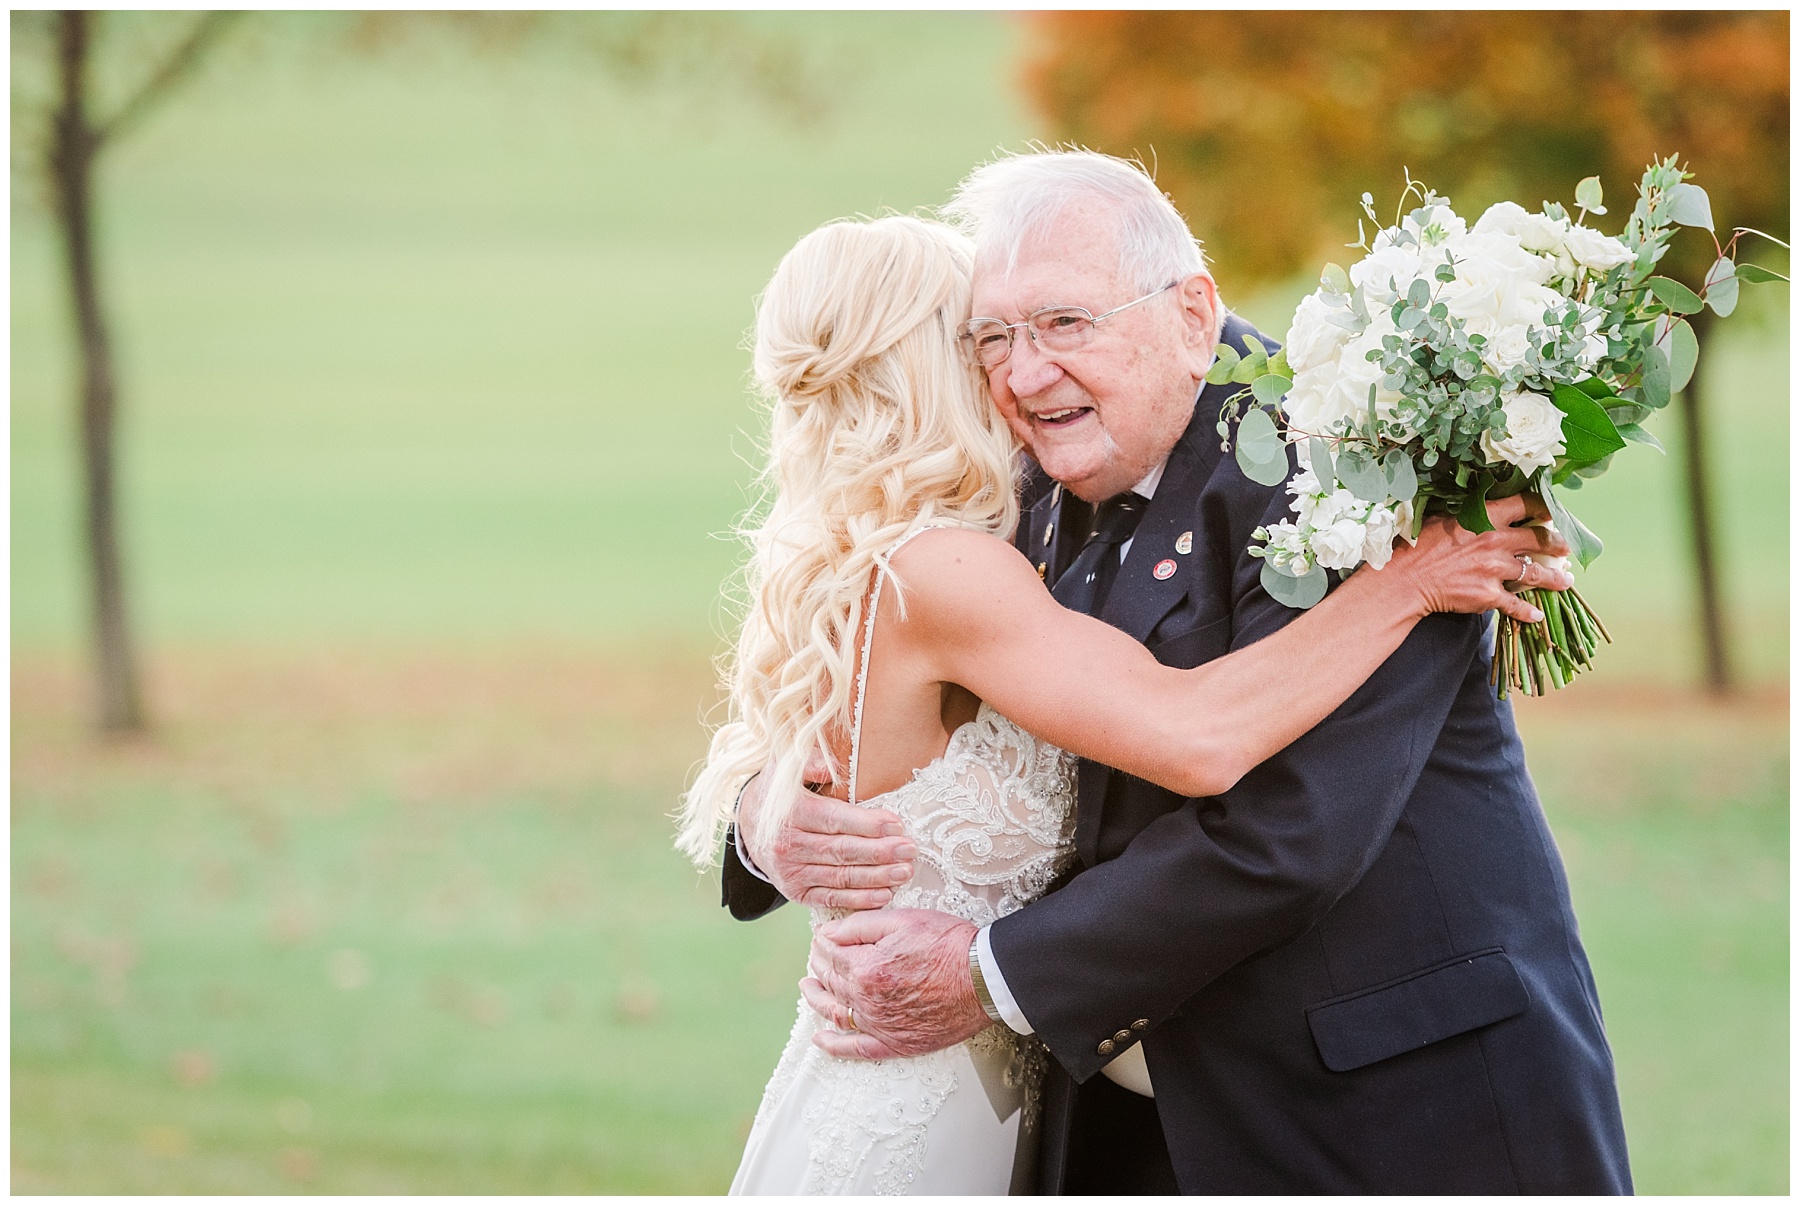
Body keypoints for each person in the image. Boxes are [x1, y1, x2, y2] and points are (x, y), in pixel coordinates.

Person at [729, 151, 1635, 1195]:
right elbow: (851, 680)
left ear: (1192, 312)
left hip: (1383, 1110)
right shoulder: (1002, 472)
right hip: (1106, 1127)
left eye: (1066, 322)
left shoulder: (1351, 469)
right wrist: (768, 818)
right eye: (993, 337)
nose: (1025, 373)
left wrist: (988, 975)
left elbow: (1288, 830)